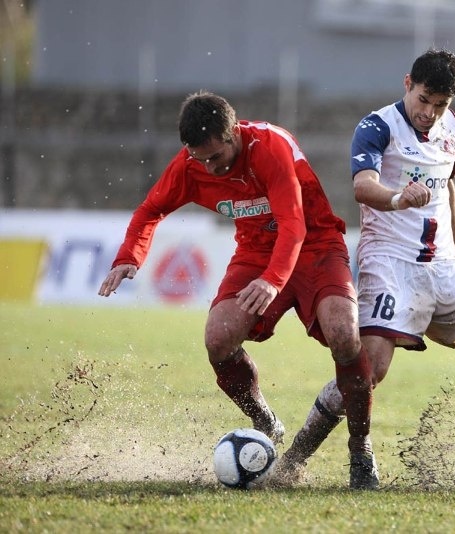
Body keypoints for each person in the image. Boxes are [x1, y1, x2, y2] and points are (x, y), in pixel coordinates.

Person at [269, 49, 455, 492]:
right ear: (408, 83)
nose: (429, 113)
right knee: (368, 371)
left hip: (442, 265)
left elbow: (447, 186)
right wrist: (396, 198)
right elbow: (362, 186)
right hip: (389, 263)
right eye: (424, 99)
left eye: (440, 104)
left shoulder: (453, 126)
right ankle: (294, 459)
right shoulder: (377, 127)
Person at [97, 91, 378, 490]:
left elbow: (294, 224)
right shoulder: (191, 165)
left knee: (345, 335)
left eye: (215, 157)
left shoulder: (270, 148)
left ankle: (360, 450)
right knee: (218, 338)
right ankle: (263, 419)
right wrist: (129, 256)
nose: (209, 168)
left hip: (315, 245)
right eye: (199, 159)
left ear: (233, 134)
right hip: (256, 252)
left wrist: (273, 279)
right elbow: (150, 210)